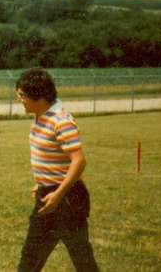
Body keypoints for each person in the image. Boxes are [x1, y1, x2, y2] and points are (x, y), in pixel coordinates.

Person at [15, 67, 100, 272]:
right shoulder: (41, 116)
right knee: (31, 256)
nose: (20, 100)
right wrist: (42, 182)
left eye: (22, 96)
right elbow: (53, 157)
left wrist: (58, 194)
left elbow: (78, 161)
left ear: (39, 96)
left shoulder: (60, 121)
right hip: (49, 194)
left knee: (81, 257)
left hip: (68, 199)